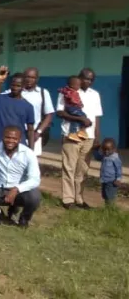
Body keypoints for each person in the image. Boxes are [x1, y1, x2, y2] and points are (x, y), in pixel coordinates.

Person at [57, 68, 102, 210]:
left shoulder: (95, 94)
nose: (87, 81)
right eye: (85, 78)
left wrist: (96, 136)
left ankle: (79, 199)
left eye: (90, 79)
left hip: (89, 137)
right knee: (69, 168)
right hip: (71, 136)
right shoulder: (67, 91)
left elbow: (96, 116)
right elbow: (60, 112)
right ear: (79, 77)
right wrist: (79, 118)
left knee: (82, 170)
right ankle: (68, 200)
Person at [17, 67, 54, 156]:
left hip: (34, 134)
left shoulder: (43, 93)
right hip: (16, 133)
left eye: (32, 77)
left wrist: (38, 132)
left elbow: (49, 114)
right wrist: (0, 81)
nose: (29, 80)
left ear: (37, 79)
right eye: (26, 77)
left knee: (32, 162)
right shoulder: (16, 91)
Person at [58, 76, 88, 142]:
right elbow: (73, 100)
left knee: (77, 120)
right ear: (72, 85)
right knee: (82, 117)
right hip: (72, 108)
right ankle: (74, 132)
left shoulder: (70, 91)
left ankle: (80, 131)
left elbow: (62, 90)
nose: (79, 86)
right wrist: (79, 104)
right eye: (78, 85)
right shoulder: (71, 92)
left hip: (73, 108)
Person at [93, 138, 121, 206]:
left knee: (110, 196)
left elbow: (119, 169)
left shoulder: (115, 158)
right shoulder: (104, 156)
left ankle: (110, 210)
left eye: (108, 149)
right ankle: (107, 208)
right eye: (104, 149)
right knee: (105, 195)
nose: (106, 151)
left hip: (112, 181)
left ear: (114, 149)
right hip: (104, 180)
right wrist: (95, 149)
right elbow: (97, 157)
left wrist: (118, 179)